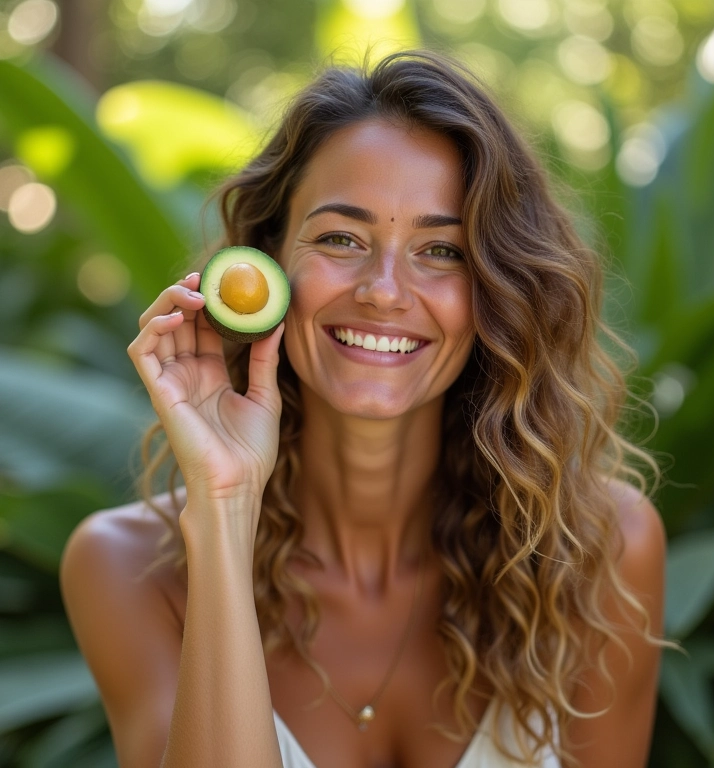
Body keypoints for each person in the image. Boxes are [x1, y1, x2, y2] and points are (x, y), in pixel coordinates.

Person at [60, 50, 666, 768]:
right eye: (341, 239)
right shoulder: (127, 569)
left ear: (499, 291)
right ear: (268, 262)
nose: (383, 290)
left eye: (442, 249)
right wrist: (224, 506)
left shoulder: (601, 551)